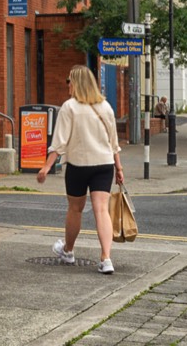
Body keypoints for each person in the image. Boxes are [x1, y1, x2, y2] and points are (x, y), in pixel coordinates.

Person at [37, 65, 124, 275]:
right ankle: (106, 258)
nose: (68, 85)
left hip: (78, 166)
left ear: (76, 83)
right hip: (104, 165)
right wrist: (119, 168)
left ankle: (68, 251)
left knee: (75, 209)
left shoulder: (69, 107)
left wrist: (47, 166)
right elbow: (114, 142)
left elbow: (59, 142)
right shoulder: (106, 107)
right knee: (101, 210)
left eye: (69, 81)